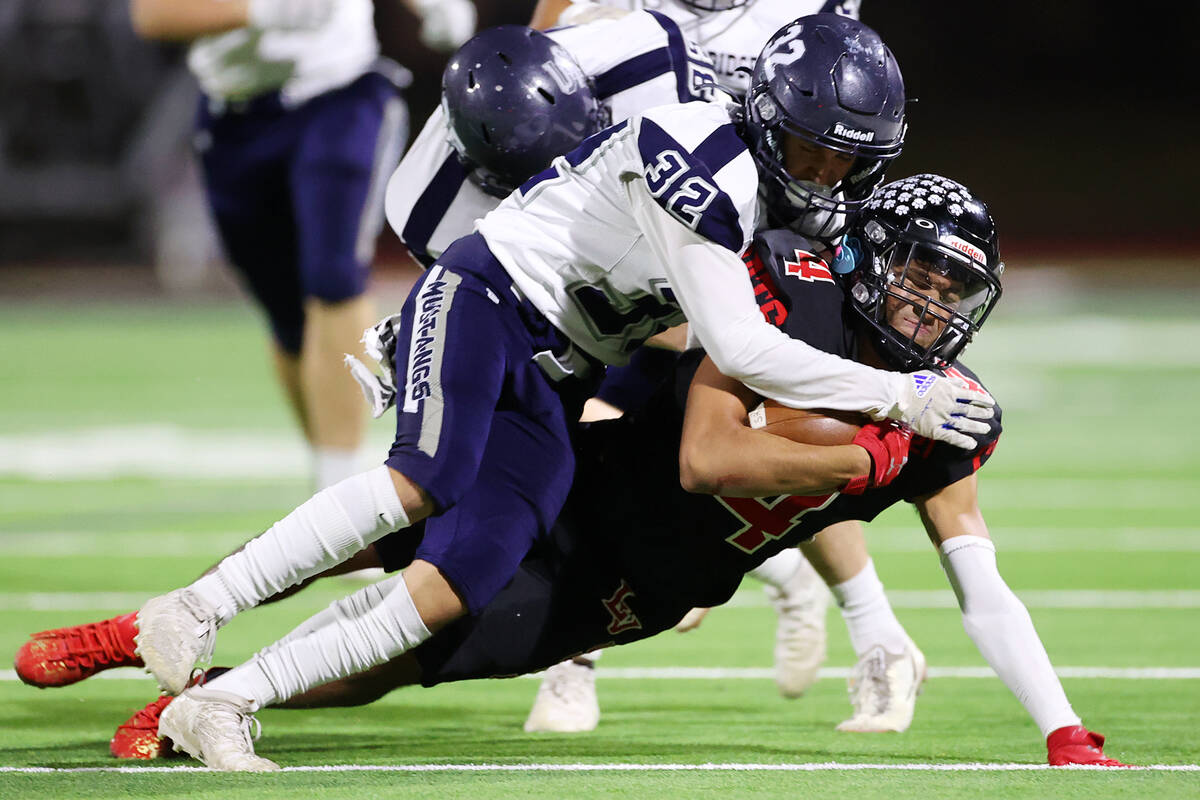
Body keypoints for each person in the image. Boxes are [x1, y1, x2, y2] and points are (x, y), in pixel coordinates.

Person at [32, 16, 997, 771]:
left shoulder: (757, 192)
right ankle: (195, 610)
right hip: (492, 295)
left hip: (563, 359)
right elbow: (737, 341)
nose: (827, 175)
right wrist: (900, 395)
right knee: (426, 479)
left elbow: (692, 332)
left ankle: (222, 701)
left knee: (466, 573)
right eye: (815, 150)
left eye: (845, 160)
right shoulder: (704, 155)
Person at [102, 175, 1123, 768]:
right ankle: (189, 610)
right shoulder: (791, 300)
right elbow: (708, 455)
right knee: (386, 532)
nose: (934, 306)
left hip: (638, 585)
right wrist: (870, 447)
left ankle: (208, 696)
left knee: (399, 659)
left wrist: (1061, 724)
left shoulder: (949, 415)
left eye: (956, 289)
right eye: (920, 274)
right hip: (591, 473)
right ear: (866, 255)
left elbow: (982, 584)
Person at [126, 0, 475, 492]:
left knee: (334, 279)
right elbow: (152, 15)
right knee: (287, 318)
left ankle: (341, 497)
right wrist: (262, 11)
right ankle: (332, 475)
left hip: (342, 91)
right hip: (235, 112)